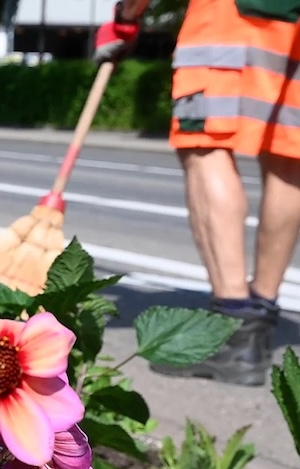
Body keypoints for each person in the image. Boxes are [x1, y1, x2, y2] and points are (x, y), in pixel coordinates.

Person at [95, 0, 297, 387]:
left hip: (231, 19)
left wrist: (126, 17)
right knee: (289, 156)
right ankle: (260, 321)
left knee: (204, 145)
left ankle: (233, 328)